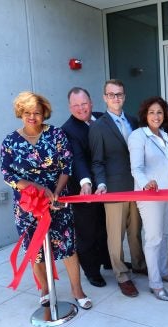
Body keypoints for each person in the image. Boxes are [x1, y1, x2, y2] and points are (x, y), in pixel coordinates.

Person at [0, 91, 92, 310]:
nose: (32, 117)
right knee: (36, 249)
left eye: (37, 113)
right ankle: (44, 289)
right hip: (28, 207)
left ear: (45, 114)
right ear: (20, 113)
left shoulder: (56, 135)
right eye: (28, 113)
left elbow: (66, 166)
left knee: (68, 247)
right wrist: (38, 188)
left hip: (57, 202)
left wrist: (57, 191)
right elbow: (8, 174)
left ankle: (77, 290)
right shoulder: (10, 141)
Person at [89, 79, 147, 298]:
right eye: (111, 95)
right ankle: (122, 275)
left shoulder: (133, 120)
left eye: (119, 94)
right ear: (105, 97)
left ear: (124, 96)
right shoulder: (98, 126)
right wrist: (101, 184)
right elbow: (97, 161)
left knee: (135, 231)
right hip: (113, 188)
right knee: (115, 236)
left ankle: (139, 264)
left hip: (135, 187)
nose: (116, 98)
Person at [128, 97, 168, 301]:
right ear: (145, 114)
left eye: (159, 112)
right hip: (150, 194)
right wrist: (146, 183)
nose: (156, 116)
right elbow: (136, 168)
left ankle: (162, 271)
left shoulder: (165, 136)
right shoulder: (138, 136)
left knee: (164, 234)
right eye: (152, 112)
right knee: (153, 238)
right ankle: (155, 283)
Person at [61, 87, 111, 288]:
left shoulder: (102, 118)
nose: (81, 109)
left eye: (84, 104)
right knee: (88, 232)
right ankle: (91, 271)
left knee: (106, 227)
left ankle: (108, 260)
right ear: (69, 107)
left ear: (91, 102)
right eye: (76, 105)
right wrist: (86, 182)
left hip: (106, 186)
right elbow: (78, 159)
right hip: (84, 190)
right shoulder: (68, 129)